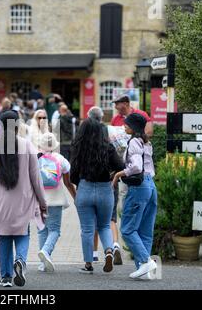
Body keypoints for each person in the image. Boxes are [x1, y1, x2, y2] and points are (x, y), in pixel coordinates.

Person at [0, 110, 47, 288]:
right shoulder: (28, 146)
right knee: (23, 233)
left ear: (0, 125)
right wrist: (43, 202)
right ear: (18, 125)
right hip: (23, 200)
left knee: (4, 237)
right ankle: (21, 261)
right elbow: (36, 179)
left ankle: (6, 277)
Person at [70, 118, 124, 274]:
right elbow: (121, 167)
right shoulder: (107, 147)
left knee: (87, 229)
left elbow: (73, 173)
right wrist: (112, 176)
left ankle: (88, 264)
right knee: (104, 225)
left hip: (85, 188)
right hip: (105, 190)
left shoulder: (78, 147)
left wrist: (79, 184)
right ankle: (108, 251)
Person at [112, 113, 158, 280]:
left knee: (127, 229)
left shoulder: (133, 142)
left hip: (139, 187)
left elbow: (137, 167)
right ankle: (143, 269)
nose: (124, 125)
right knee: (145, 231)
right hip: (151, 186)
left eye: (127, 124)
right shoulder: (146, 142)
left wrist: (119, 174)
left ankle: (146, 262)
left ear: (134, 127)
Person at [88, 106, 124, 264]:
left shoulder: (87, 135)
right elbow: (120, 164)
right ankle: (115, 245)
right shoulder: (110, 131)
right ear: (102, 117)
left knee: (95, 220)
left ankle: (94, 254)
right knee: (111, 218)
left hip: (92, 183)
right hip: (111, 182)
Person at [36, 132, 76, 273]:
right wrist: (75, 196)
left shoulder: (36, 158)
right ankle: (46, 252)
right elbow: (67, 180)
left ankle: (42, 263)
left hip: (39, 199)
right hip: (56, 199)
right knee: (54, 230)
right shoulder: (60, 159)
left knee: (42, 230)